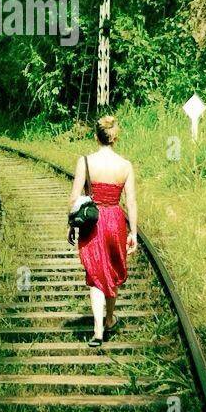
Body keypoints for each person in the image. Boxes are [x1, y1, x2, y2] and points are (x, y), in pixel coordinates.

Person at [69, 114, 137, 347]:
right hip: (116, 221)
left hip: (93, 221)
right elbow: (132, 202)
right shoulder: (125, 165)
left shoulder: (85, 162)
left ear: (95, 136)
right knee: (111, 270)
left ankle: (98, 330)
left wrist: (71, 224)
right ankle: (109, 319)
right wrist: (133, 232)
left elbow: (75, 197)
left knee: (96, 274)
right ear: (115, 137)